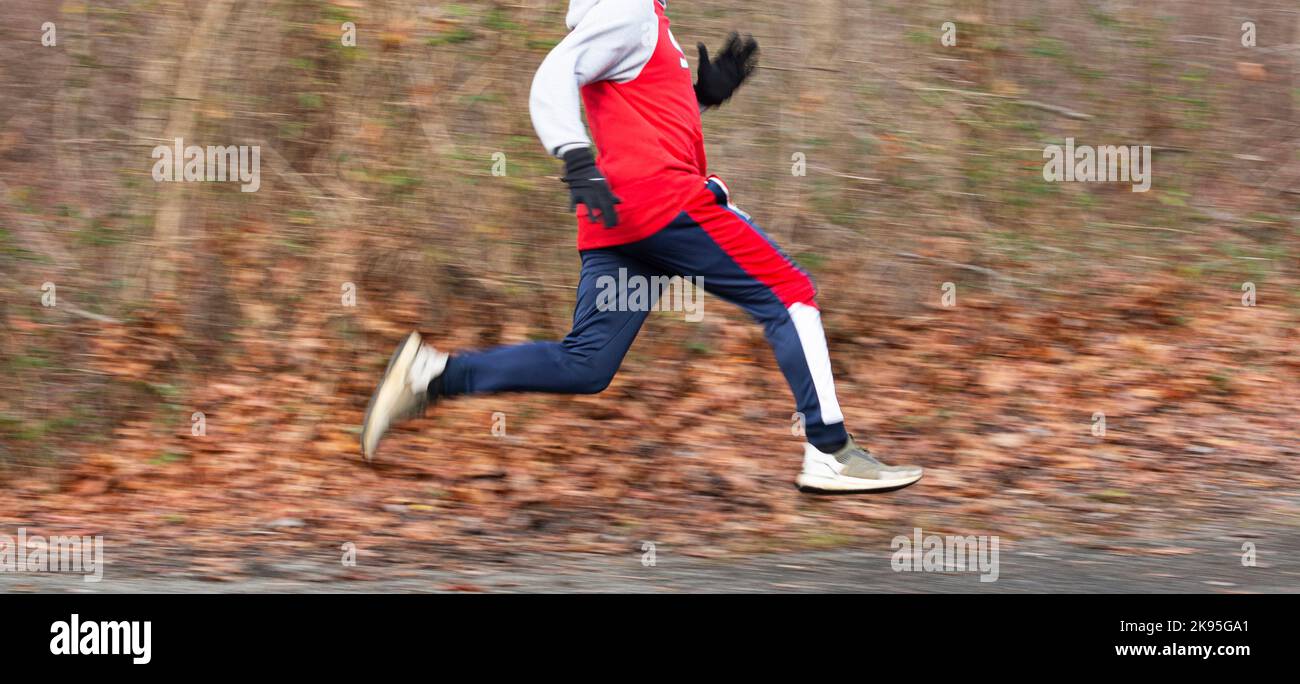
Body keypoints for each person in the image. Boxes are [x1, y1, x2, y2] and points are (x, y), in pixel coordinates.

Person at [360, 0, 923, 492]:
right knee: (789, 294)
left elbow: (637, 116)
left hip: (620, 221)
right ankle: (831, 452)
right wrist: (573, 155)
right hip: (662, 205)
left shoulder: (637, 18)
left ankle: (432, 376)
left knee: (586, 364)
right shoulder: (627, 8)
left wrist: (699, 96)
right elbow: (553, 73)